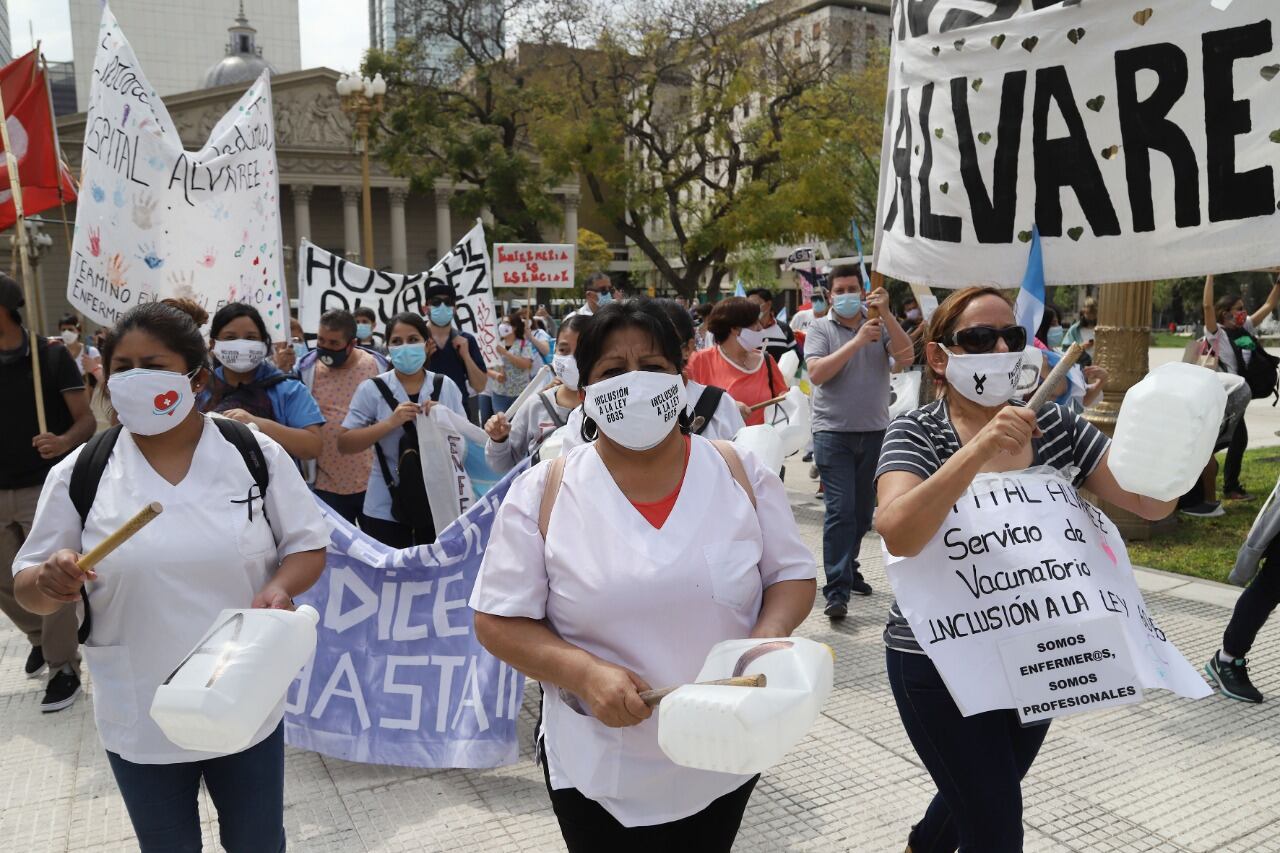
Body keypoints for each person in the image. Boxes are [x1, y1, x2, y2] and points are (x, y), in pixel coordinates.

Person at [469, 298, 815, 850]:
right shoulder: (544, 491)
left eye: (652, 368)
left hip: (723, 755)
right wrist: (581, 672)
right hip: (601, 769)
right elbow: (496, 620)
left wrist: (759, 646)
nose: (635, 383)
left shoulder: (738, 471)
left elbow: (792, 577)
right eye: (612, 371)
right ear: (584, 393)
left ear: (681, 378)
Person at [13, 301, 330, 852]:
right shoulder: (81, 472)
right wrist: (49, 583)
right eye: (122, 368)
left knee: (258, 843)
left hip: (242, 697)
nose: (135, 379)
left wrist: (280, 587)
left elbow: (307, 546)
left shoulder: (251, 453)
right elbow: (29, 586)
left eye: (152, 365)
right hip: (140, 709)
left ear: (196, 376)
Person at [875, 286, 1174, 853]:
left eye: (1012, 336)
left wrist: (1178, 448)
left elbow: (1150, 503)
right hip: (938, 662)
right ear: (940, 357)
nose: (1001, 347)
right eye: (979, 338)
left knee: (987, 788)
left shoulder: (1058, 427)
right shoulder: (915, 432)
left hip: (1036, 655)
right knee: (996, 829)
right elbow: (899, 531)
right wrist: (979, 449)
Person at [0, 275, 95, 710]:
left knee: (50, 576)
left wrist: (61, 441)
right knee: (9, 583)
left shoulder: (51, 357)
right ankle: (38, 636)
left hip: (43, 484)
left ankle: (62, 666)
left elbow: (86, 422)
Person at [804, 266, 913, 619]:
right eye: (841, 289)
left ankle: (848, 569)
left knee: (864, 513)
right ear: (831, 294)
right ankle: (836, 589)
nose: (848, 294)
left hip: (876, 431)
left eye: (854, 287)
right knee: (841, 510)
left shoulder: (879, 323)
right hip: (832, 433)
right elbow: (818, 374)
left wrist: (889, 316)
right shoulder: (820, 328)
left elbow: (906, 359)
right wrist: (855, 342)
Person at [338, 312, 467, 548]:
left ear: (428, 345)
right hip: (385, 505)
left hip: (438, 502)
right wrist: (389, 423)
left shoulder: (444, 385)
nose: (405, 347)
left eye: (412, 339)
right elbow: (345, 443)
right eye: (397, 342)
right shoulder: (372, 389)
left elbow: (467, 445)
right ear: (388, 347)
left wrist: (445, 418)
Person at [297, 309, 389, 523]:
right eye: (321, 340)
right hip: (324, 485)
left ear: (351, 343)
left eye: (334, 343)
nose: (326, 348)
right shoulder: (305, 370)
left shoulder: (377, 367)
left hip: (373, 483)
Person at [199, 304, 324, 461]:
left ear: (264, 343)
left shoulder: (288, 389)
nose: (241, 345)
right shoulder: (199, 386)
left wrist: (256, 423)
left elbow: (312, 447)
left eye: (250, 338)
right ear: (213, 344)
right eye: (231, 337)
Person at [1203, 273, 1280, 501]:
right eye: (1239, 308)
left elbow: (1269, 303)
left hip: (1238, 396)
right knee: (1232, 439)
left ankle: (1221, 481)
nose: (1243, 312)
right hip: (1224, 395)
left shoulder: (1245, 327)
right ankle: (1228, 486)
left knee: (1234, 439)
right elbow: (1207, 305)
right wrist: (1210, 275)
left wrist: (1279, 281)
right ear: (1226, 312)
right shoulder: (1216, 333)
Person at [485, 314, 590, 473]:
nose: (572, 359)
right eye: (563, 350)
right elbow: (502, 467)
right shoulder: (535, 405)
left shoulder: (608, 405)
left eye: (582, 351)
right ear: (555, 351)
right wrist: (499, 440)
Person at [686, 297, 788, 427]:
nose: (760, 328)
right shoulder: (699, 361)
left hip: (763, 443)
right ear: (734, 329)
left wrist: (790, 397)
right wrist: (727, 407)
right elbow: (686, 406)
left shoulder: (767, 360)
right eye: (753, 323)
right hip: (719, 445)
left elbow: (782, 396)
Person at [422, 283, 488, 420]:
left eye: (448, 302)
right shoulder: (415, 340)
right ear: (425, 308)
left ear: (455, 309)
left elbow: (480, 386)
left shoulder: (466, 340)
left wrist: (466, 356)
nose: (442, 306)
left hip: (458, 415)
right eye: (436, 302)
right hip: (423, 413)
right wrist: (423, 358)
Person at [489, 311, 539, 411]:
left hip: (520, 393)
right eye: (502, 323)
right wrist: (496, 375)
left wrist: (506, 353)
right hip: (499, 393)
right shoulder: (495, 344)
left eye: (506, 323)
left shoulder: (524, 344)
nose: (502, 326)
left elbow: (526, 364)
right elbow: (486, 367)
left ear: (515, 327)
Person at [746, 288, 797, 363]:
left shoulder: (784, 329)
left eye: (755, 304)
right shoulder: (743, 329)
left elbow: (794, 355)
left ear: (769, 304)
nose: (752, 308)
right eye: (749, 305)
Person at [56, 313, 102, 390]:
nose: (66, 333)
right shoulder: (58, 353)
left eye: (70, 329)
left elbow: (101, 378)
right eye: (63, 330)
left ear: (78, 330)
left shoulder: (91, 352)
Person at [1062, 296, 1098, 365]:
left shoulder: (1101, 329)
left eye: (1093, 313)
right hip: (1080, 366)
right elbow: (1065, 349)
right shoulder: (1075, 329)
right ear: (1083, 312)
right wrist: (1081, 346)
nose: (1091, 316)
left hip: (1098, 365)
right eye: (1088, 313)